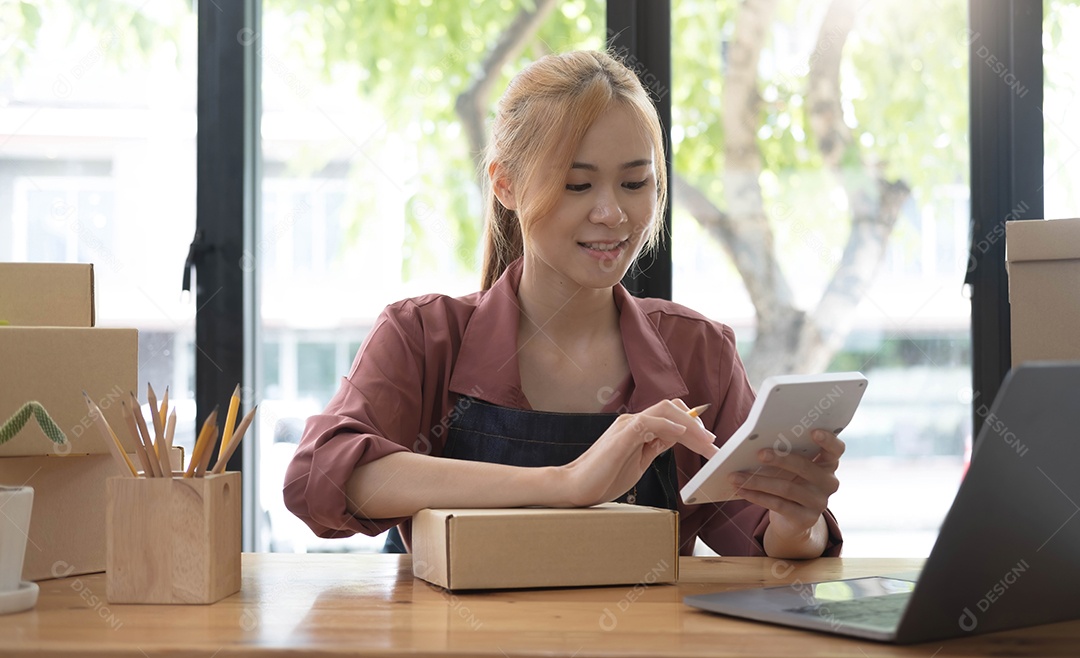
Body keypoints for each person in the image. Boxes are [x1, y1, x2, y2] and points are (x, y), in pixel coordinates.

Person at [283, 50, 843, 559]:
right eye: (578, 186)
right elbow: (321, 480)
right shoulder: (423, 337)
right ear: (505, 184)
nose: (612, 215)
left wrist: (798, 520)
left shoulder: (698, 351)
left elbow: (764, 544)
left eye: (634, 183)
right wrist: (565, 483)